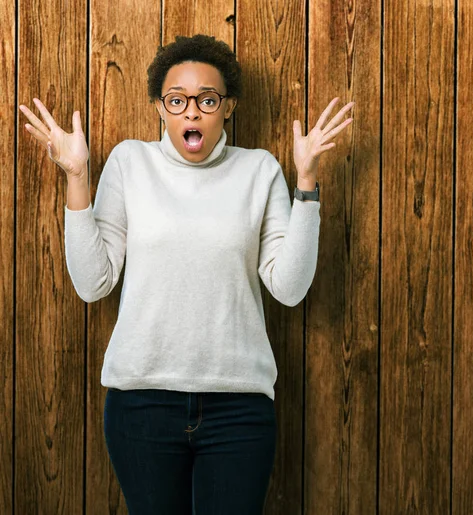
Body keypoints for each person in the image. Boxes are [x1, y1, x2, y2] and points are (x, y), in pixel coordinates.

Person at [19, 34, 353, 515]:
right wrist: (75, 177)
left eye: (207, 100)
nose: (191, 112)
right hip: (141, 405)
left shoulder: (258, 171)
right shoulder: (130, 163)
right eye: (177, 100)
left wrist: (305, 181)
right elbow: (93, 283)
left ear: (228, 107)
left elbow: (291, 287)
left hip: (238, 408)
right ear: (160, 107)